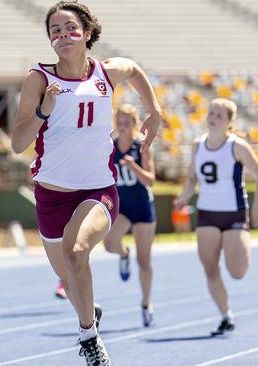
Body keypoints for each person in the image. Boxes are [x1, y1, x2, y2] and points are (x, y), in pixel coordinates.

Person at [11, 1, 163, 364]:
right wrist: (43, 111)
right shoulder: (39, 79)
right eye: (55, 31)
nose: (63, 35)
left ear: (88, 33)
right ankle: (88, 312)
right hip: (51, 195)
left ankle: (89, 338)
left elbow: (135, 69)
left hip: (98, 191)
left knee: (76, 252)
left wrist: (154, 110)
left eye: (70, 28)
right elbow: (18, 143)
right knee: (74, 279)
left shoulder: (105, 73)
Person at [173, 98, 258, 336]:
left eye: (219, 115)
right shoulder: (197, 145)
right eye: (211, 113)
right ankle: (226, 315)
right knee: (210, 268)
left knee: (237, 272)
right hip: (207, 213)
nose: (213, 118)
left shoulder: (237, 146)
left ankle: (239, 245)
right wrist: (184, 197)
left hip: (234, 213)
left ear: (229, 122)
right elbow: (192, 178)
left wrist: (256, 208)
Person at [103, 104, 157, 328]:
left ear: (135, 124)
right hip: (122, 207)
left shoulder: (141, 146)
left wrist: (134, 166)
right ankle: (123, 254)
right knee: (109, 244)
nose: (123, 126)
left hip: (143, 207)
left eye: (127, 122)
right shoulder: (109, 147)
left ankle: (146, 304)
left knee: (144, 260)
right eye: (120, 122)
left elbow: (150, 180)